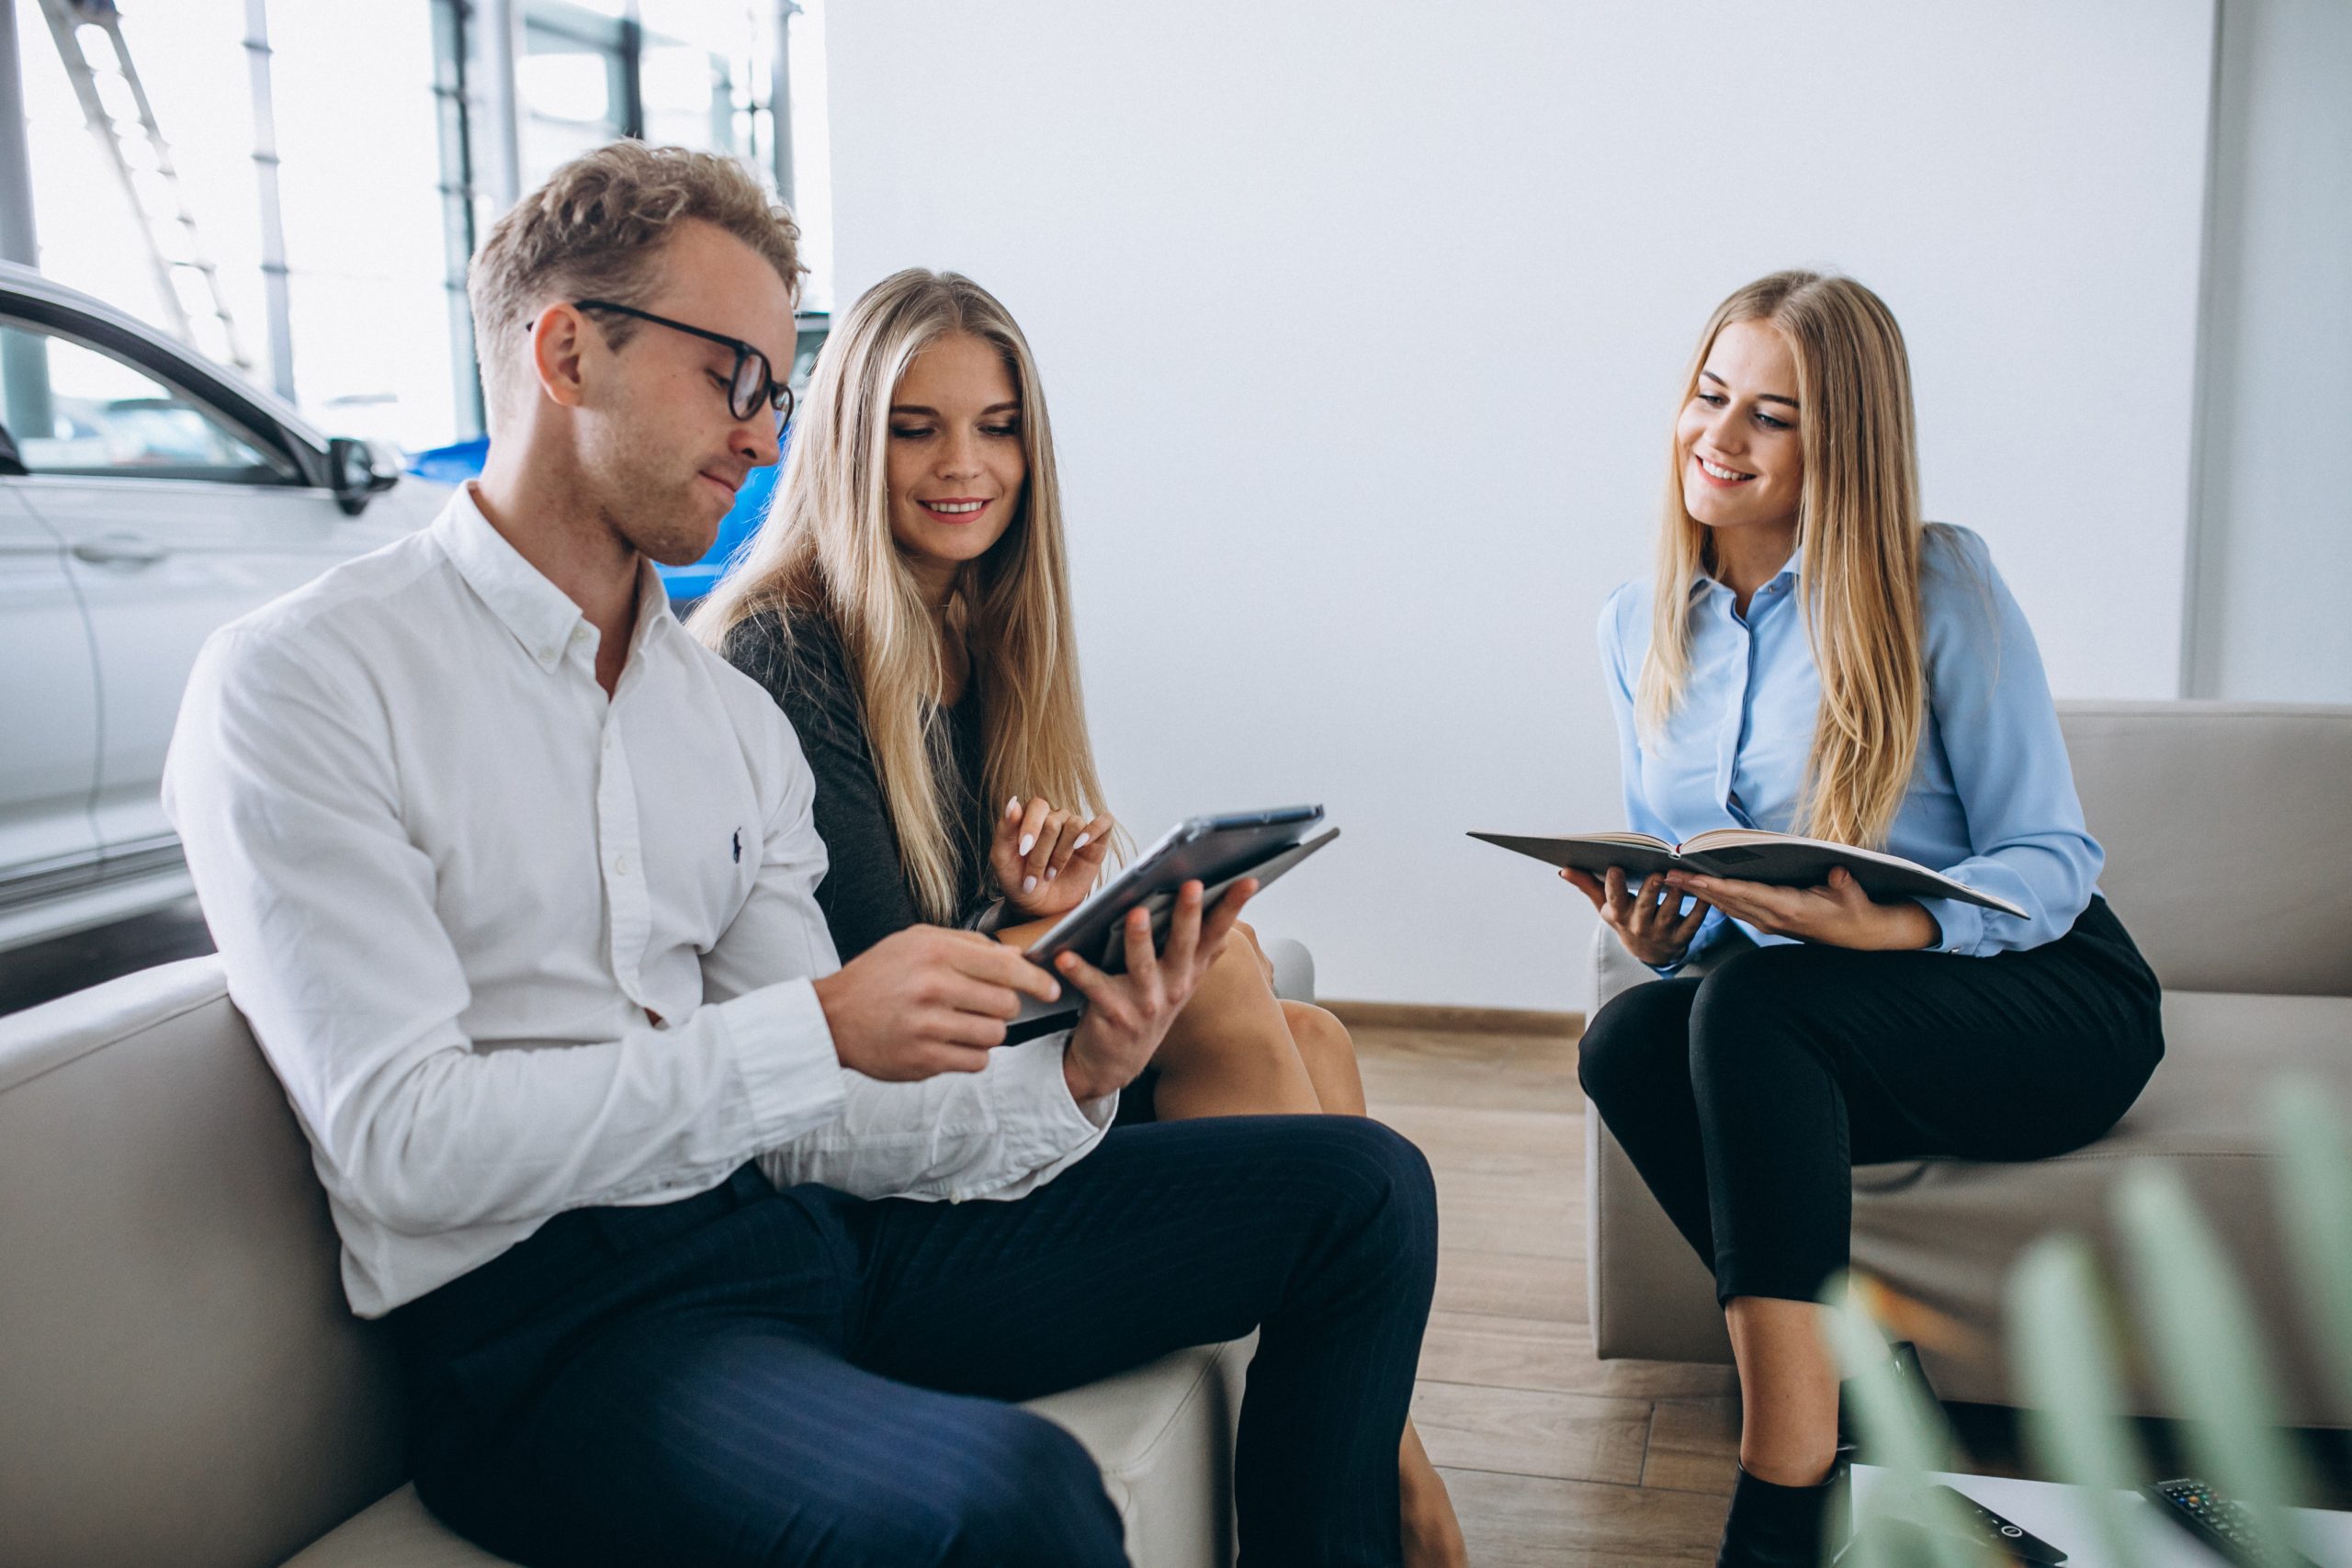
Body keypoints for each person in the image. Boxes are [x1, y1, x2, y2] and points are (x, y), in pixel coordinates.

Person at [162, 141, 1438, 1568]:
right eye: (732, 378)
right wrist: (814, 1029)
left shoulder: (722, 722)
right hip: (570, 1333)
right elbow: (404, 1150)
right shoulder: (307, 681)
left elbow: (829, 1128)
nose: (767, 437)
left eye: (777, 390)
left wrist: (1082, 1077)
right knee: (1012, 1501)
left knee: (1359, 1191)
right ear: (568, 351)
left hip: (803, 1239)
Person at [693, 266, 1467, 1568]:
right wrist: (1060, 939)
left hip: (957, 1098)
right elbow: (865, 982)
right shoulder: (785, 650)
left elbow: (943, 924)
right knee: (1226, 982)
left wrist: (1034, 908)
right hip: (872, 1178)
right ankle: (1395, 1474)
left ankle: (1364, 1475)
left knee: (1309, 1033)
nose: (965, 465)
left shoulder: (972, 625)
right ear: (845, 438)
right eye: (915, 426)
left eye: (996, 427)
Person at [1566, 270, 2165, 1568]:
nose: (1718, 439)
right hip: (1807, 1012)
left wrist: (1892, 933)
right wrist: (1665, 932)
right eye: (1710, 396)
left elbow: (2055, 858)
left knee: (1759, 1006)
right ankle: (1868, 1386)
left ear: (1842, 443)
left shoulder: (1934, 582)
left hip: (2047, 997)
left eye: (1770, 416)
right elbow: (1705, 885)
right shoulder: (1637, 626)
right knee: (1627, 1041)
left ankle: (1789, 1488)